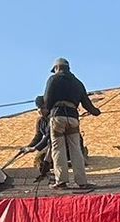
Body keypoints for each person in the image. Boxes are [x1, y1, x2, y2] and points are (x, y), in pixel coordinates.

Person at [40, 57, 100, 190]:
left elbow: (47, 99)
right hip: (73, 118)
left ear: (56, 68)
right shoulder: (78, 82)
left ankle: (61, 181)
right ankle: (82, 181)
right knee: (76, 149)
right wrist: (96, 112)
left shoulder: (53, 79)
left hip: (58, 117)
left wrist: (48, 111)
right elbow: (87, 104)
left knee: (58, 149)